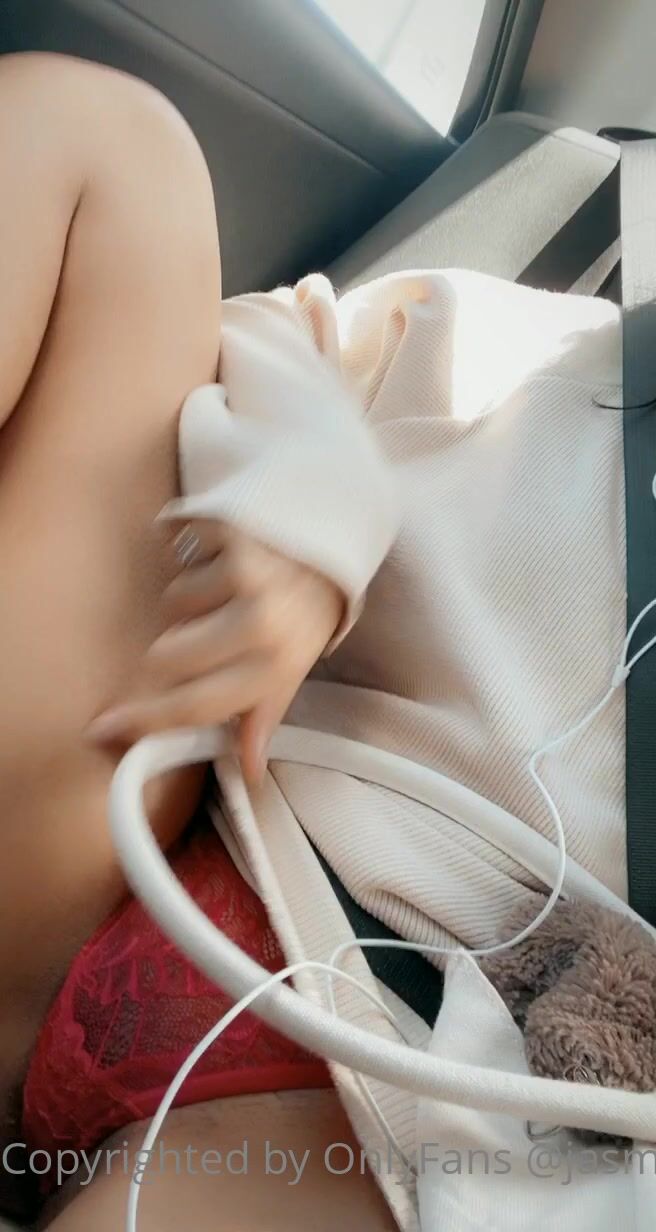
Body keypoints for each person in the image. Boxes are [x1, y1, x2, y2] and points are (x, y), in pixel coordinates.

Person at [1, 47, 645, 1232]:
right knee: (106, 145)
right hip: (151, 779)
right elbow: (289, 338)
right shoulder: (578, 362)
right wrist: (319, 501)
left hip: (386, 1078)